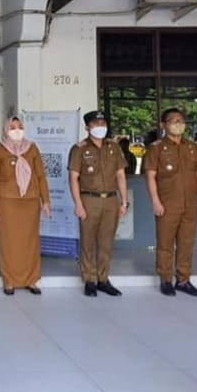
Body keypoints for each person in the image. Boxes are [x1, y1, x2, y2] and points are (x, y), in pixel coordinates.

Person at [144, 107, 197, 297]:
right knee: (165, 243)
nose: (178, 124)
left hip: (190, 204)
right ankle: (165, 279)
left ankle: (183, 280)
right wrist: (155, 201)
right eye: (173, 120)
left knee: (186, 243)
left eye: (180, 120)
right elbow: (150, 176)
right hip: (167, 204)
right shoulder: (156, 148)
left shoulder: (192, 147)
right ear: (163, 125)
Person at [0, 116, 51, 295]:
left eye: (20, 126)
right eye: (13, 127)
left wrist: (45, 200)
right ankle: (9, 280)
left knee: (30, 241)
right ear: (6, 130)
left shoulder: (32, 148)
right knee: (9, 242)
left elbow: (41, 176)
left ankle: (31, 280)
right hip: (7, 202)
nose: (17, 130)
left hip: (30, 201)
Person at [67, 111, 129, 297]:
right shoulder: (79, 149)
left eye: (103, 122)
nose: (100, 126)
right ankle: (89, 279)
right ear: (87, 127)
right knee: (87, 241)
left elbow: (120, 175)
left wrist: (124, 201)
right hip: (89, 199)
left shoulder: (113, 147)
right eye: (96, 123)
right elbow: (73, 178)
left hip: (111, 199)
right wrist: (77, 204)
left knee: (106, 242)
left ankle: (103, 279)